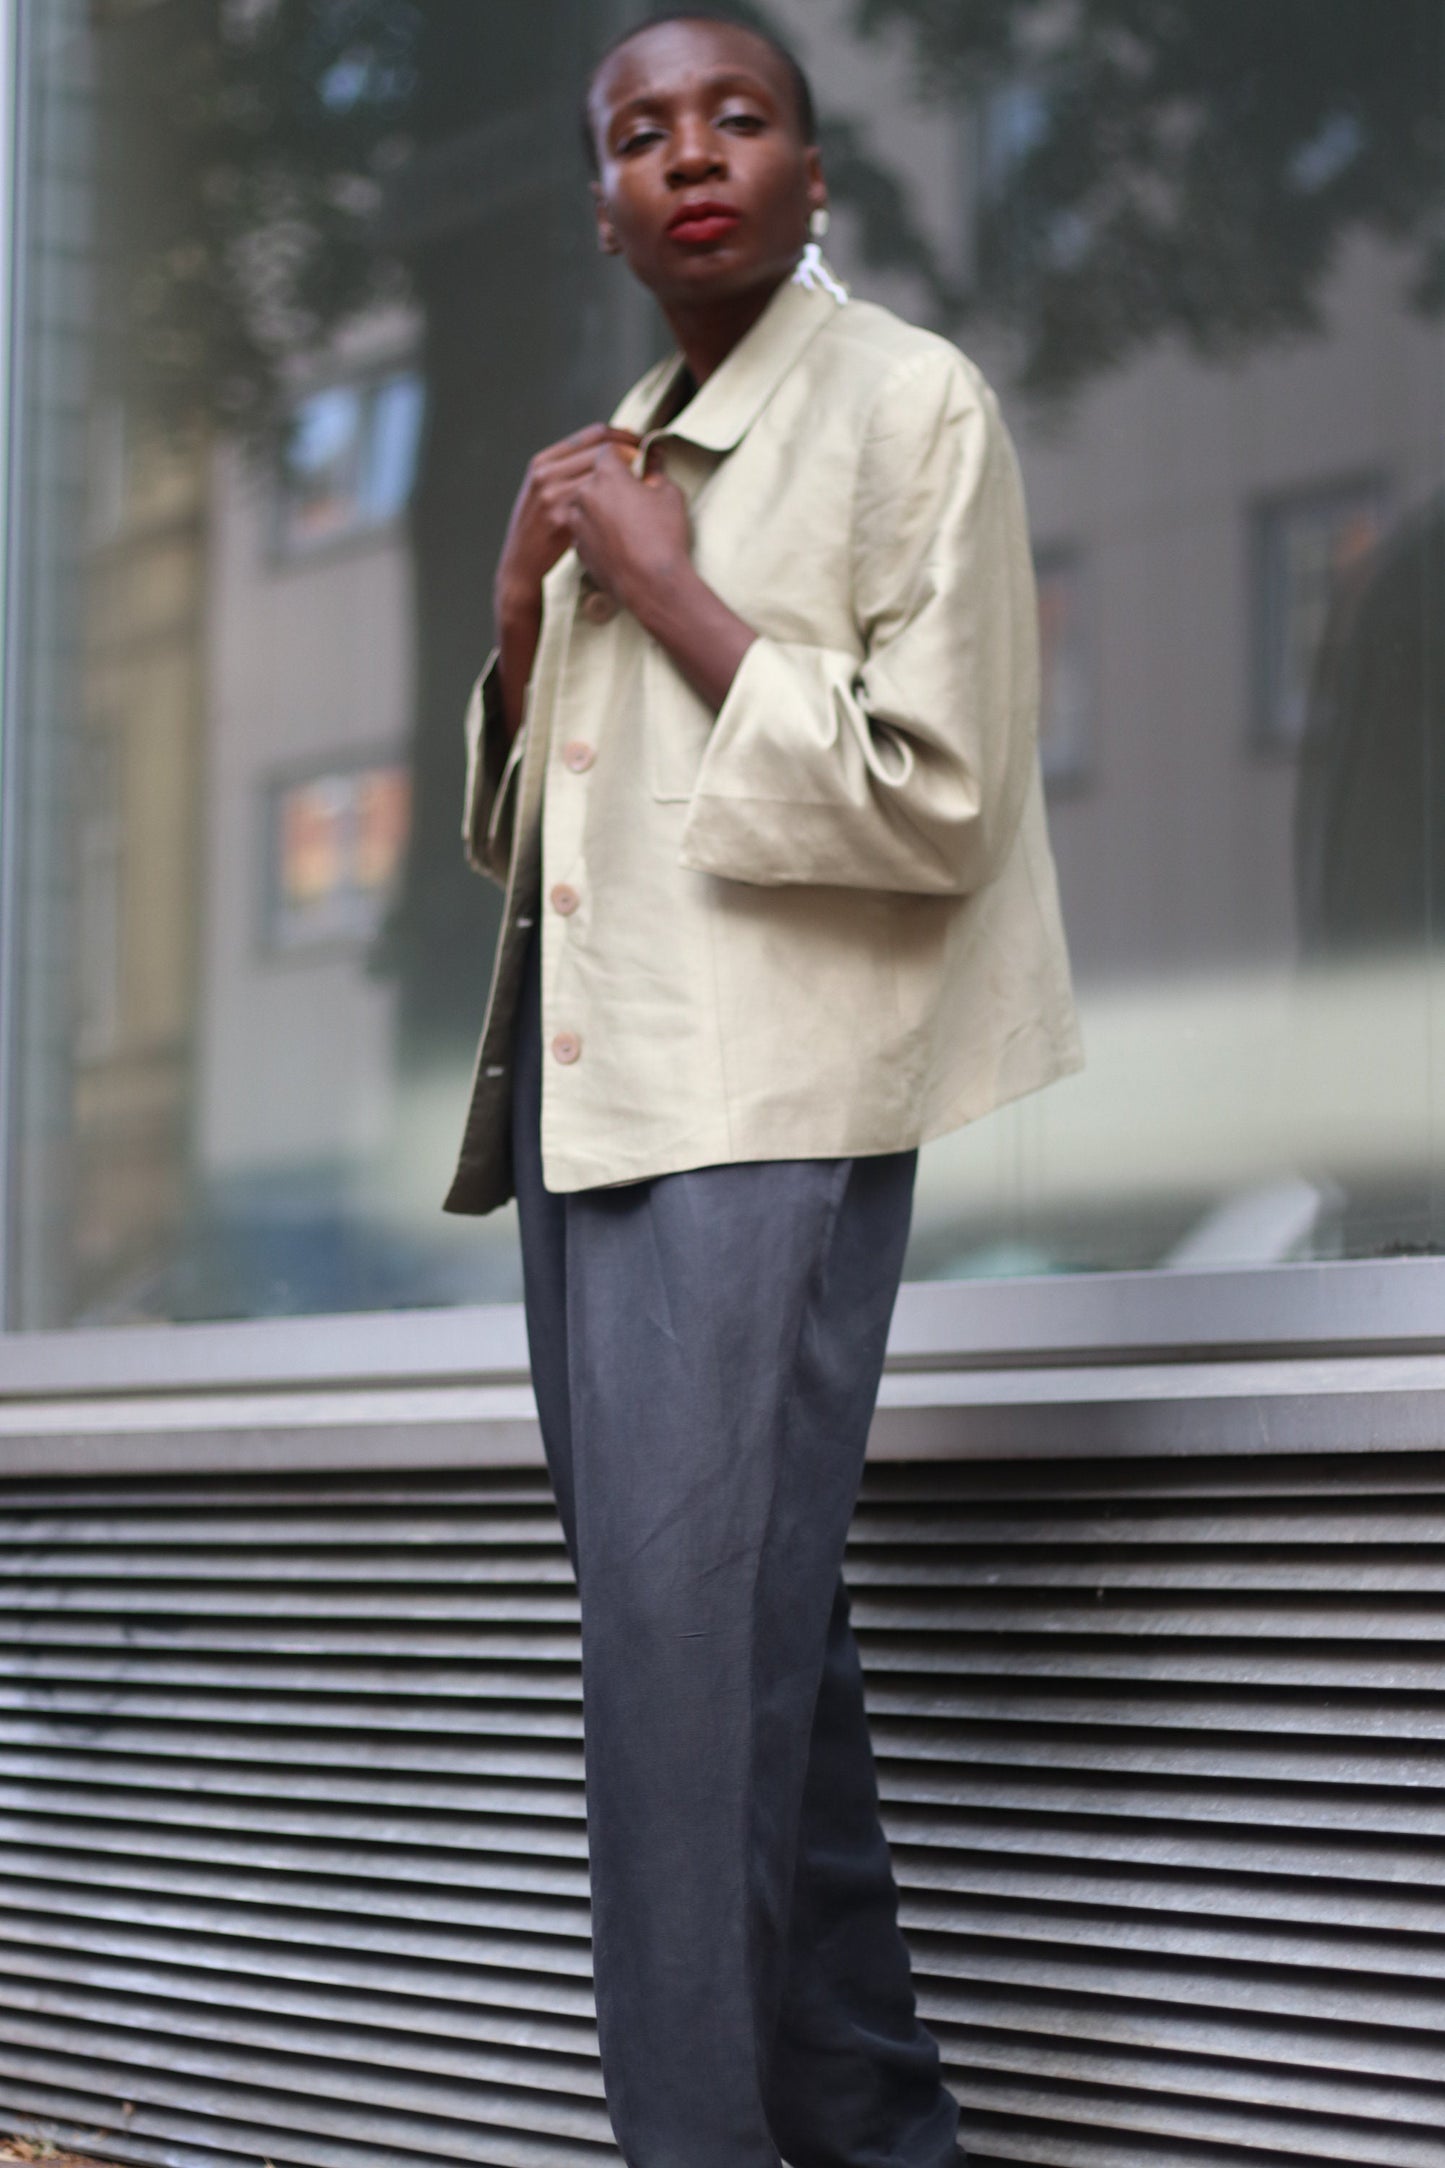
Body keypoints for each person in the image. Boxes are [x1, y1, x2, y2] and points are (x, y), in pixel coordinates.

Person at [444, 14, 1082, 2165]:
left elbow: (940, 796)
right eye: (641, 135)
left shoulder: (911, 406)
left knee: (680, 1723)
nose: (689, 156)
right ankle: (885, 2139)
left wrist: (662, 587)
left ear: (818, 172)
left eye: (738, 118)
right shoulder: (615, 441)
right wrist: (532, 619)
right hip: (590, 1111)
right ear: (606, 206)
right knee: (744, 1697)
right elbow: (554, 833)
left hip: (761, 1117)